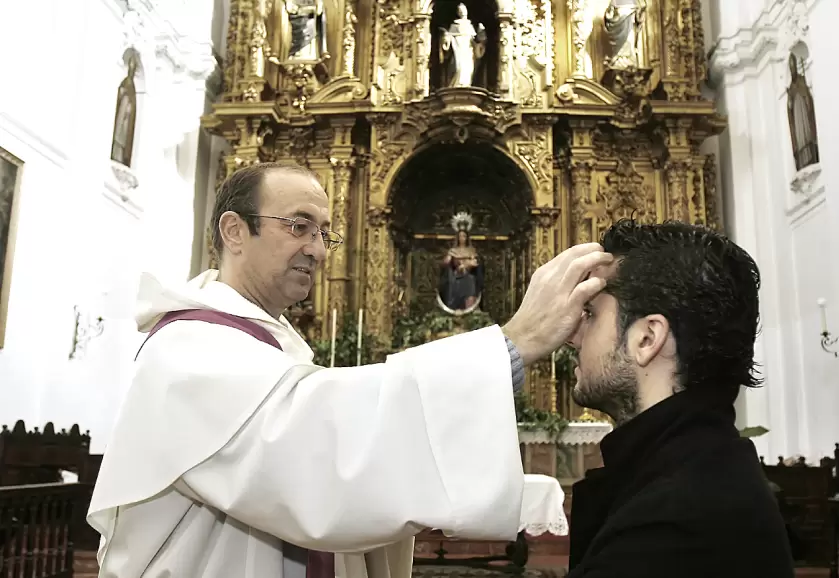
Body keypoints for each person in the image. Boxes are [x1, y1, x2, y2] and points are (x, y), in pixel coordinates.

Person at [87, 162, 612, 578]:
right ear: (234, 230)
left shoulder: (270, 343)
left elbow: (337, 449)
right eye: (299, 226)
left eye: (324, 233)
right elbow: (316, 449)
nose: (317, 249)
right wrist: (512, 345)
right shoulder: (189, 347)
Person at [564, 219, 794, 578]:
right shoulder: (697, 466)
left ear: (646, 339)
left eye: (590, 314)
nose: (572, 335)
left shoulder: (675, 520)